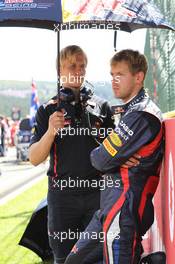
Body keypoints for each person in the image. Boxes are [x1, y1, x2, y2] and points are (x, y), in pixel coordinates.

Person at [65, 49, 164, 264]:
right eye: (111, 75)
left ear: (138, 77)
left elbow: (100, 160)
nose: (114, 80)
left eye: (120, 74)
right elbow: (103, 156)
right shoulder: (130, 111)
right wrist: (113, 155)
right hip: (107, 209)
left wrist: (112, 156)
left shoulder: (141, 114)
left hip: (123, 213)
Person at [29, 45, 116, 264]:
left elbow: (116, 152)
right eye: (72, 66)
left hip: (97, 194)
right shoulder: (48, 110)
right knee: (64, 258)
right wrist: (50, 131)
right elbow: (34, 158)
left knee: (97, 257)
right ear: (60, 71)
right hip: (62, 198)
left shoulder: (103, 107)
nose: (78, 71)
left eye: (82, 66)